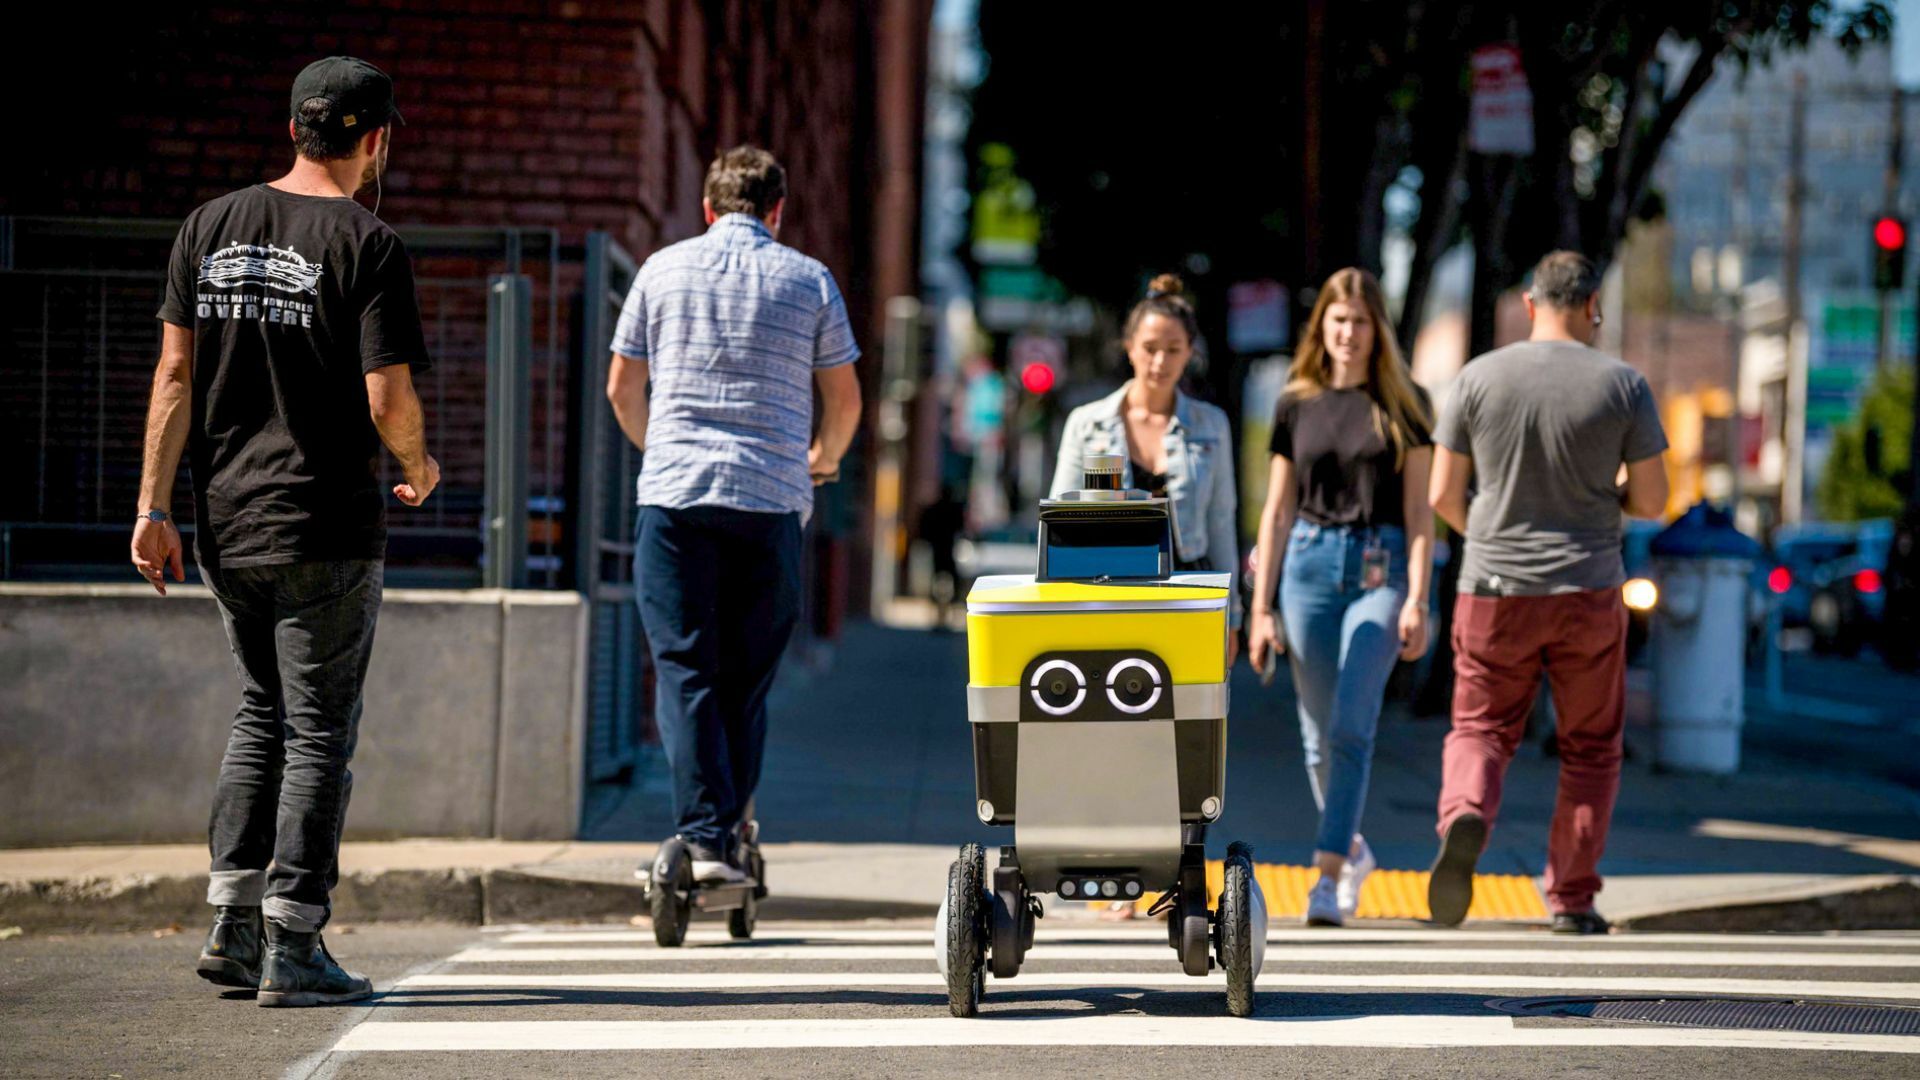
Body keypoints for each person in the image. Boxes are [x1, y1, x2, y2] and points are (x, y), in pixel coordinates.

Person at [133, 57, 438, 1006]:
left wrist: (152, 507)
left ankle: (229, 926)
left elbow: (174, 381)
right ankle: (294, 941)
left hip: (227, 522)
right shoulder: (368, 243)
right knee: (316, 734)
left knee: (262, 711)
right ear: (375, 140)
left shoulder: (208, 226)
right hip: (325, 526)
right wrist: (418, 466)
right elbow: (385, 394)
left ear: (294, 129)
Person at [607, 146, 863, 886]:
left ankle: (703, 837)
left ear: (708, 209)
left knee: (684, 669)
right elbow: (845, 401)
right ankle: (731, 827)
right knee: (745, 679)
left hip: (676, 500)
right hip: (770, 501)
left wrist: (660, 448)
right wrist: (823, 456)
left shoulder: (661, 268)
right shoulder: (810, 279)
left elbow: (624, 387)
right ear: (777, 213)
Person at [1425, 250, 1669, 935]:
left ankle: (1468, 810)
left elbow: (1443, 494)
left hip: (1494, 588)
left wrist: (1494, 534)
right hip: (1588, 589)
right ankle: (1570, 897)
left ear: (1530, 306)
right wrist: (1602, 493)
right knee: (1591, 747)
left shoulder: (1477, 378)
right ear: (1593, 306)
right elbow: (1652, 498)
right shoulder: (1624, 385)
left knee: (1481, 727)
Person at [1246, 268, 1434, 927]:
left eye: (1360, 320)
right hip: (1304, 568)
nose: (1349, 332)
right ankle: (1353, 846)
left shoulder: (1408, 406)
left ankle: (1324, 878)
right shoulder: (1295, 401)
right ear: (1321, 327)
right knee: (1318, 741)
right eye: (1338, 319)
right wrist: (1260, 608)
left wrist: (1418, 600)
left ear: (1377, 329)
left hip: (1381, 574)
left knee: (1353, 725)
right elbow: (1275, 511)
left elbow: (1420, 516)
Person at [1050, 274, 1241, 643]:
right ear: (1129, 347)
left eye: (1173, 349)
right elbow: (1060, 521)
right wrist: (1059, 605)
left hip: (1191, 590)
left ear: (1190, 352)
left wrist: (1231, 614)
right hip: (1106, 588)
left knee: (1189, 697)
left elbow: (1220, 521)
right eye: (1150, 347)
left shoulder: (1211, 425)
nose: (1160, 361)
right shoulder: (1087, 424)